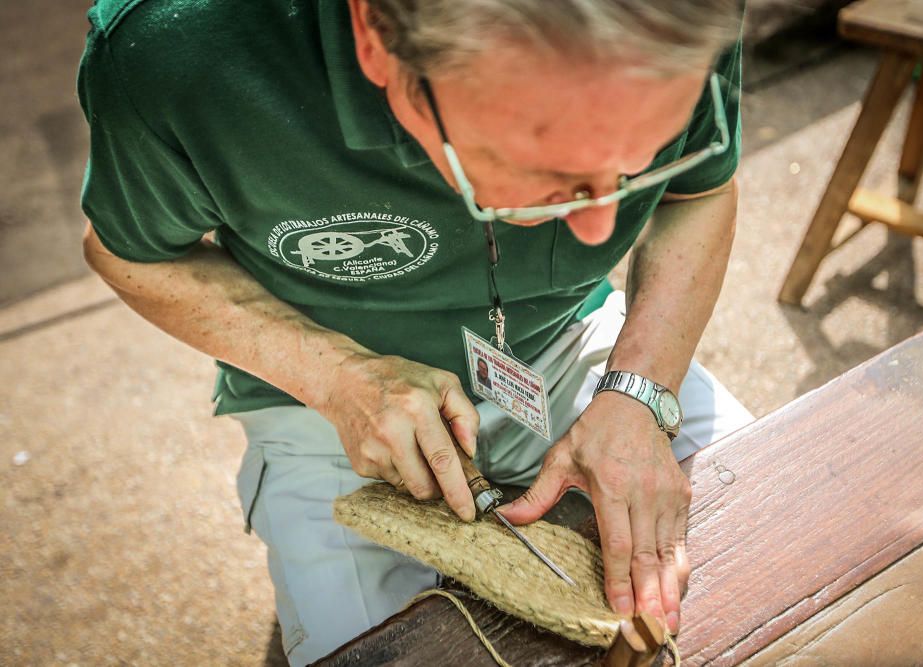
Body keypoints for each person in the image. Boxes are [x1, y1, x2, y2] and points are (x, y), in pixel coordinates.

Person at [78, 0, 752, 664]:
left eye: (635, 165)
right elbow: (128, 255)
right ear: (375, 37)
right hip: (319, 393)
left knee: (765, 540)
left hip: (566, 336)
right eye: (542, 176)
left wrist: (640, 390)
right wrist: (339, 378)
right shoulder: (172, 52)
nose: (602, 232)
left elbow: (698, 193)